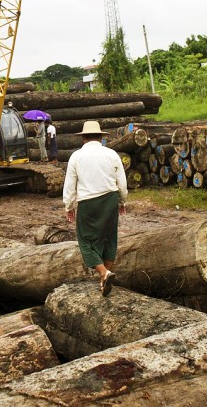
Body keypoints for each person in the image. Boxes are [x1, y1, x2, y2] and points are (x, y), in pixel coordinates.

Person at [63, 120, 128, 296]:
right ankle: (104, 281)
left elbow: (70, 184)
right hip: (110, 199)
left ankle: (104, 273)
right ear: (100, 137)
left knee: (86, 241)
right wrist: (122, 201)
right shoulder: (112, 154)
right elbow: (121, 182)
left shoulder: (76, 156)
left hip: (88, 203)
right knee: (109, 238)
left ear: (84, 138)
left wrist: (69, 206)